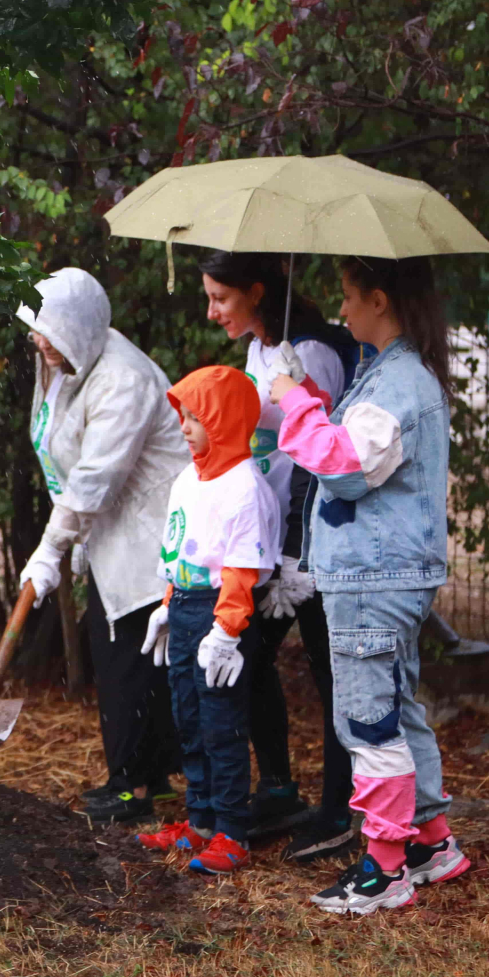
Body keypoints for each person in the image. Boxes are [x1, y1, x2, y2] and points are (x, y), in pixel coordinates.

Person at [267, 256, 472, 914]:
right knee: (396, 705)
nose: (343, 312)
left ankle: (384, 868)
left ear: (379, 300)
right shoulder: (395, 376)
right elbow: (356, 447)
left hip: (371, 580)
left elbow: (347, 468)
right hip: (385, 575)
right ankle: (430, 842)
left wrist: (294, 403)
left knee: (368, 718)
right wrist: (310, 399)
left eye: (350, 299)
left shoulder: (397, 384)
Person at [14, 268, 190, 824]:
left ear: (80, 328)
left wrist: (50, 549)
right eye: (37, 330)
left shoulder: (123, 379)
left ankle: (132, 787)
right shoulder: (66, 365)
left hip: (148, 532)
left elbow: (93, 479)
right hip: (109, 530)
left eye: (51, 331)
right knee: (120, 652)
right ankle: (149, 778)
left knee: (128, 659)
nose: (39, 342)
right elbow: (59, 453)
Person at [201, 251, 360, 863]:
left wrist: (295, 545)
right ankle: (280, 789)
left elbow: (322, 453)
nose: (213, 310)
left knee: (330, 673)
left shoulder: (310, 352)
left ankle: (339, 811)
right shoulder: (260, 349)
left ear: (257, 291)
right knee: (248, 658)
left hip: (315, 543)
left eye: (222, 298)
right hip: (269, 542)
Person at [137, 365, 280, 875]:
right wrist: (166, 606)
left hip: (223, 617)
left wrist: (226, 632)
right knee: (189, 717)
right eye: (184, 415)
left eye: (195, 417)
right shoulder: (188, 478)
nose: (184, 426)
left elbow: (242, 567)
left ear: (223, 420)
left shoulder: (245, 487)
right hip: (186, 610)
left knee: (222, 722)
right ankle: (198, 821)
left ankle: (231, 831)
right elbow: (179, 548)